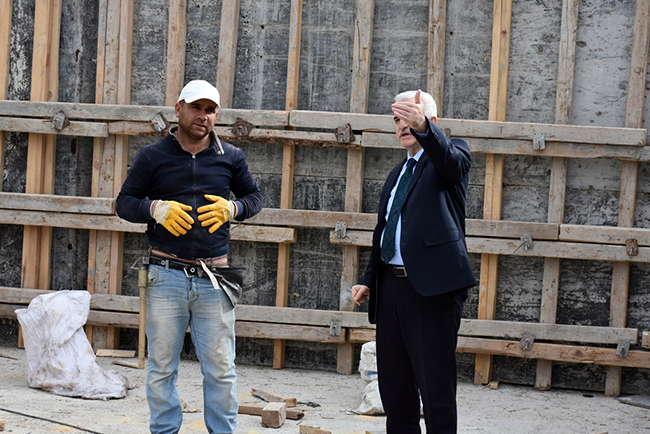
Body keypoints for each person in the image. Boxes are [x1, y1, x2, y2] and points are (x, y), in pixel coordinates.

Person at [116, 79, 263, 434]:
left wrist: (233, 208)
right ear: (178, 108)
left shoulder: (231, 157)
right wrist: (154, 208)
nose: (203, 116)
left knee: (221, 368)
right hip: (165, 273)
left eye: (210, 110)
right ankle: (164, 430)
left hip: (215, 277)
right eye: (196, 107)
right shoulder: (153, 156)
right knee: (161, 366)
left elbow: (255, 197)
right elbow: (124, 203)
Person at [351, 90, 476, 433]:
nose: (402, 125)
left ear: (431, 122)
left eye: (410, 117)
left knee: (435, 393)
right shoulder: (396, 174)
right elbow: (386, 230)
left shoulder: (452, 155)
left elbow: (451, 162)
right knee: (396, 393)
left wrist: (425, 131)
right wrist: (369, 278)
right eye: (397, 119)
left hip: (431, 292)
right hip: (391, 291)